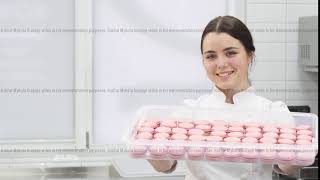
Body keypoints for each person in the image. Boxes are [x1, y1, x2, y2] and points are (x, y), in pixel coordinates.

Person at [148, 16, 301, 180]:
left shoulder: (272, 112)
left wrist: (299, 153)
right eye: (211, 56)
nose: (221, 64)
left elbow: (287, 168)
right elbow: (165, 165)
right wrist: (149, 146)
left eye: (230, 53)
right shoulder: (189, 111)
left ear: (250, 55)